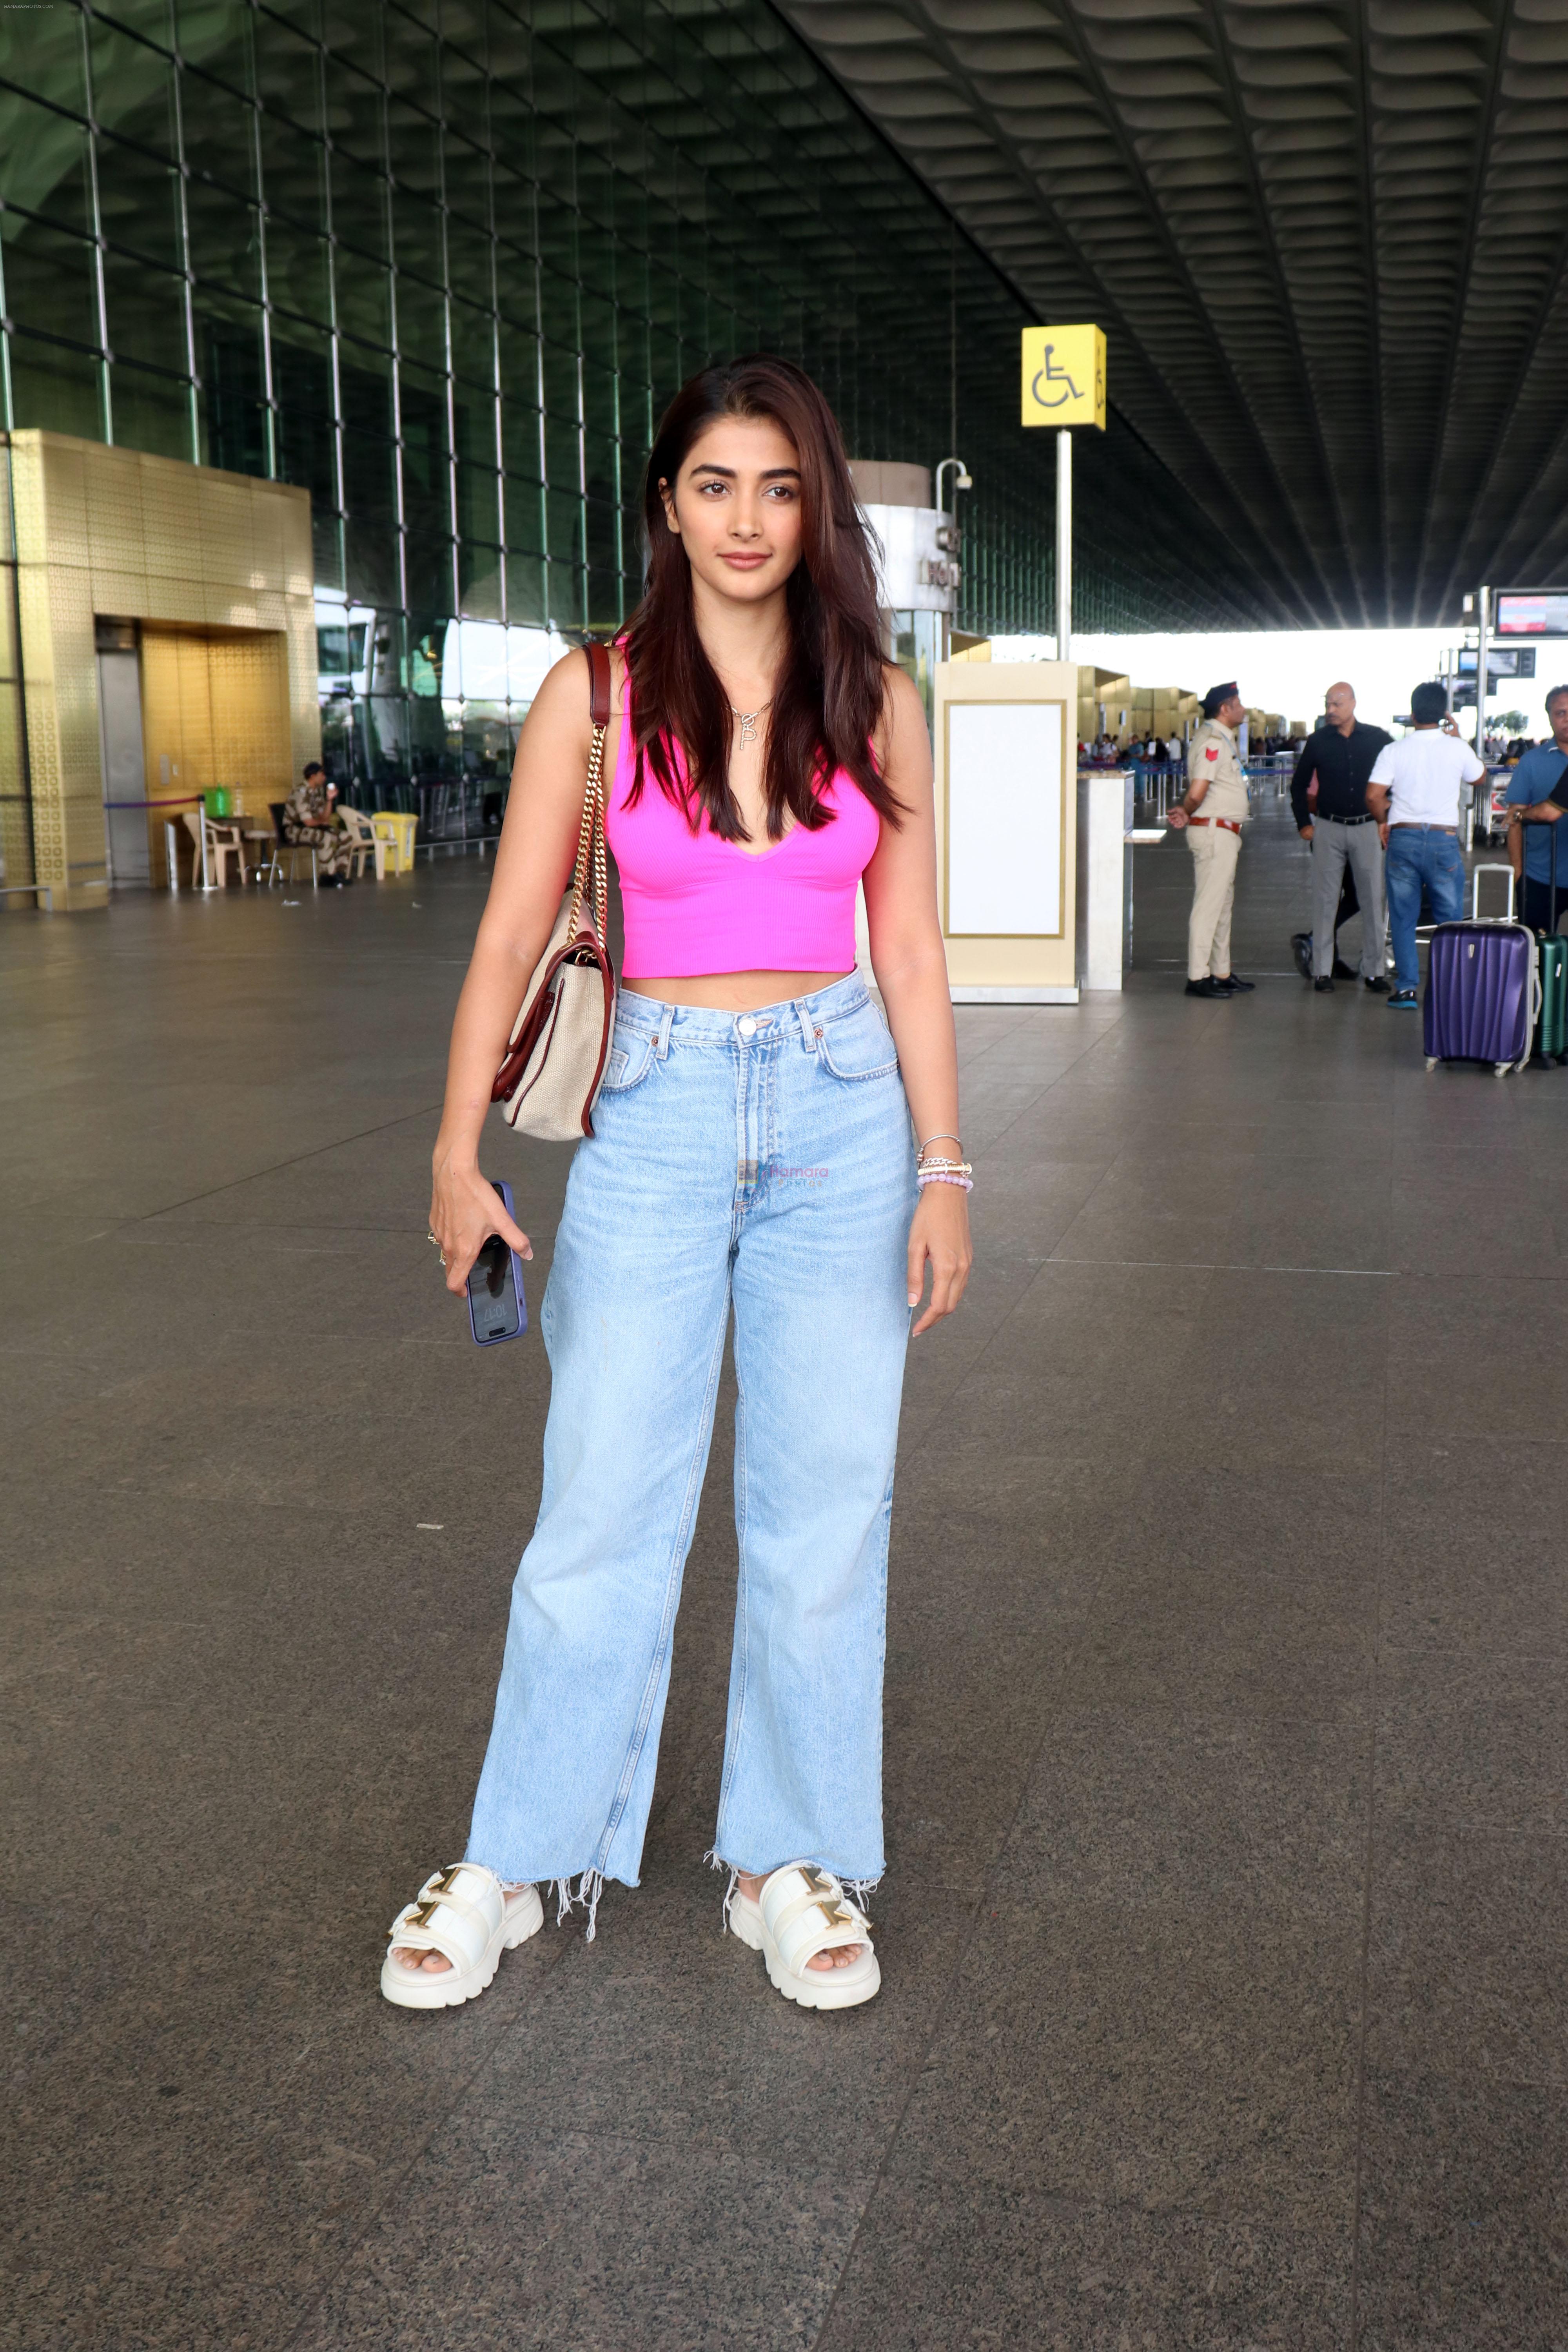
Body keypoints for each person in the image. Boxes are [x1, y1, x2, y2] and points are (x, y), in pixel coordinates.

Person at [383, 357, 972, 2018]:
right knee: (598, 1498)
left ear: (815, 510)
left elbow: (914, 952)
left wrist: (942, 1166)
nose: (745, 518)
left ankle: (784, 1855)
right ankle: (520, 1850)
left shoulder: (872, 699)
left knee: (823, 1506)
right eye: (714, 483)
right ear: (665, 501)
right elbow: (508, 935)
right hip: (646, 1109)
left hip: (843, 1112)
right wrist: (453, 1153)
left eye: (778, 487)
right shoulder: (598, 692)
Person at [1365, 682, 1484, 1008]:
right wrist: (1458, 738)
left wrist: (1382, 822)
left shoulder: (1394, 751)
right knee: (1450, 918)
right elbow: (1480, 778)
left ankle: (1406, 989)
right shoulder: (1457, 748)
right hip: (1443, 841)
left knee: (1404, 916)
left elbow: (1374, 796)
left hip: (1403, 837)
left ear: (1413, 714)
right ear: (1445, 714)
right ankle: (1450, 988)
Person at [1288, 682, 1391, 993]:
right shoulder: (1318, 742)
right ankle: (1322, 971)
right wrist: (1304, 824)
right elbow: (1298, 785)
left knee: (1373, 900)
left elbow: (1396, 781)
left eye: (1337, 704)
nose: (1330, 710)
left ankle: (1375, 972)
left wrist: (1387, 820)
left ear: (1354, 704)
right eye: (1328, 704)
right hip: (1329, 829)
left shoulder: (1378, 739)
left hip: (1367, 827)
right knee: (1325, 900)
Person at [1166, 682, 1255, 998]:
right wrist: (1186, 809)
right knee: (1209, 905)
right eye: (1239, 703)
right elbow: (1199, 789)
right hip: (1214, 833)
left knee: (1222, 905)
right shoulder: (1212, 742)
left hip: (1225, 833)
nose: (1244, 708)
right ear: (1225, 708)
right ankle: (1198, 977)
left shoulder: (1222, 740)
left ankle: (1221, 971)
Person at [1505, 687, 1568, 931]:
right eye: (1560, 713)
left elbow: (1545, 813)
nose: (1567, 719)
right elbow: (1514, 819)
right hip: (1540, 877)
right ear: (1550, 717)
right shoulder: (1531, 762)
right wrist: (1519, 873)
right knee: (1536, 955)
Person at [283, 760, 354, 884]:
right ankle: (327, 876)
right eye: (322, 775)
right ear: (313, 776)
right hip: (295, 830)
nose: (324, 778)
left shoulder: (317, 792)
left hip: (312, 828)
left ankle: (339, 873)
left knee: (346, 837)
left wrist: (329, 800)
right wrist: (321, 822)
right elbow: (309, 822)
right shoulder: (301, 793)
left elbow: (325, 818)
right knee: (325, 837)